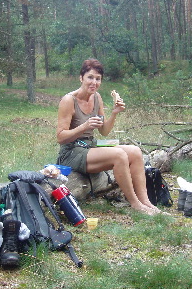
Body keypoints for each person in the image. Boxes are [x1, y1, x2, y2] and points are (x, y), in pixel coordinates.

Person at [56, 58, 161, 215]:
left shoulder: (96, 97)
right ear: (81, 78)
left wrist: (114, 113)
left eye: (98, 79)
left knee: (135, 151)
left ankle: (145, 202)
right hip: (71, 151)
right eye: (90, 77)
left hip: (91, 144)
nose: (94, 82)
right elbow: (60, 137)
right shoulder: (68, 100)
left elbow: (104, 131)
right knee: (118, 155)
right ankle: (135, 204)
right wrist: (84, 126)